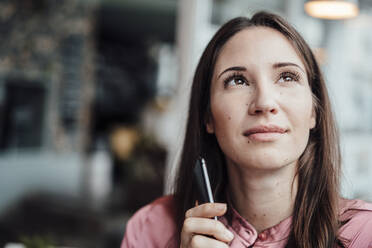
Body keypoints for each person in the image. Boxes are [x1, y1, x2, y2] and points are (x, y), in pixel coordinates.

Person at [121, 11, 372, 248]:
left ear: (314, 111)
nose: (264, 103)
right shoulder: (151, 229)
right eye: (237, 80)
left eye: (287, 77)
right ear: (208, 116)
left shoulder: (365, 234)